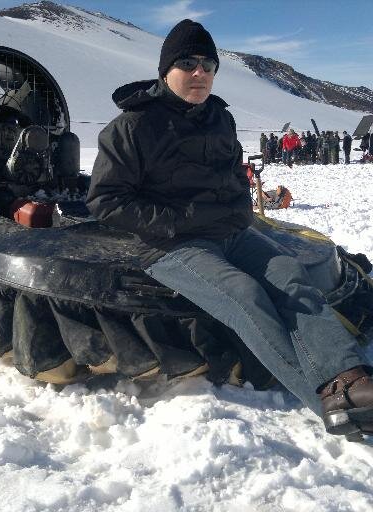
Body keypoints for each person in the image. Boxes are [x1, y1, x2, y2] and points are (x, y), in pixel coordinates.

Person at [86, 19, 373, 437]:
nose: (199, 72)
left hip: (233, 232)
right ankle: (333, 400)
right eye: (187, 63)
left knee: (292, 279)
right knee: (244, 295)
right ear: (166, 70)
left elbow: (237, 178)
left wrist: (239, 209)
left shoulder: (220, 119)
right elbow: (105, 201)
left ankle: (355, 379)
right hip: (171, 245)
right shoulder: (132, 127)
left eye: (208, 64)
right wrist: (177, 222)